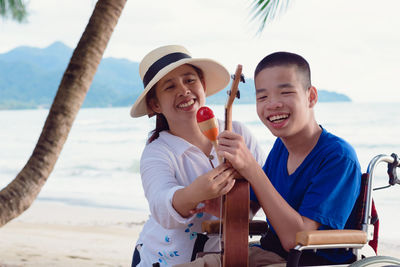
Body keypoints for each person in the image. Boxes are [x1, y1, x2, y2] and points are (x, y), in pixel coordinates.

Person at [215, 51, 362, 265]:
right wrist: (212, 197)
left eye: (285, 93)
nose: (273, 104)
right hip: (266, 254)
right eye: (262, 97)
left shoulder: (338, 157)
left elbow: (296, 240)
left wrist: (252, 169)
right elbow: (248, 208)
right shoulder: (280, 149)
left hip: (306, 262)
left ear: (311, 97)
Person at [130, 45, 265, 266]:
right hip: (162, 259)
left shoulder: (238, 133)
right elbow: (160, 206)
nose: (183, 90)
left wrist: (237, 209)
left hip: (221, 257)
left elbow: (264, 188)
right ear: (155, 104)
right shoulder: (157, 151)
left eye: (190, 80)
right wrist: (194, 193)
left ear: (203, 85)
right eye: (170, 86)